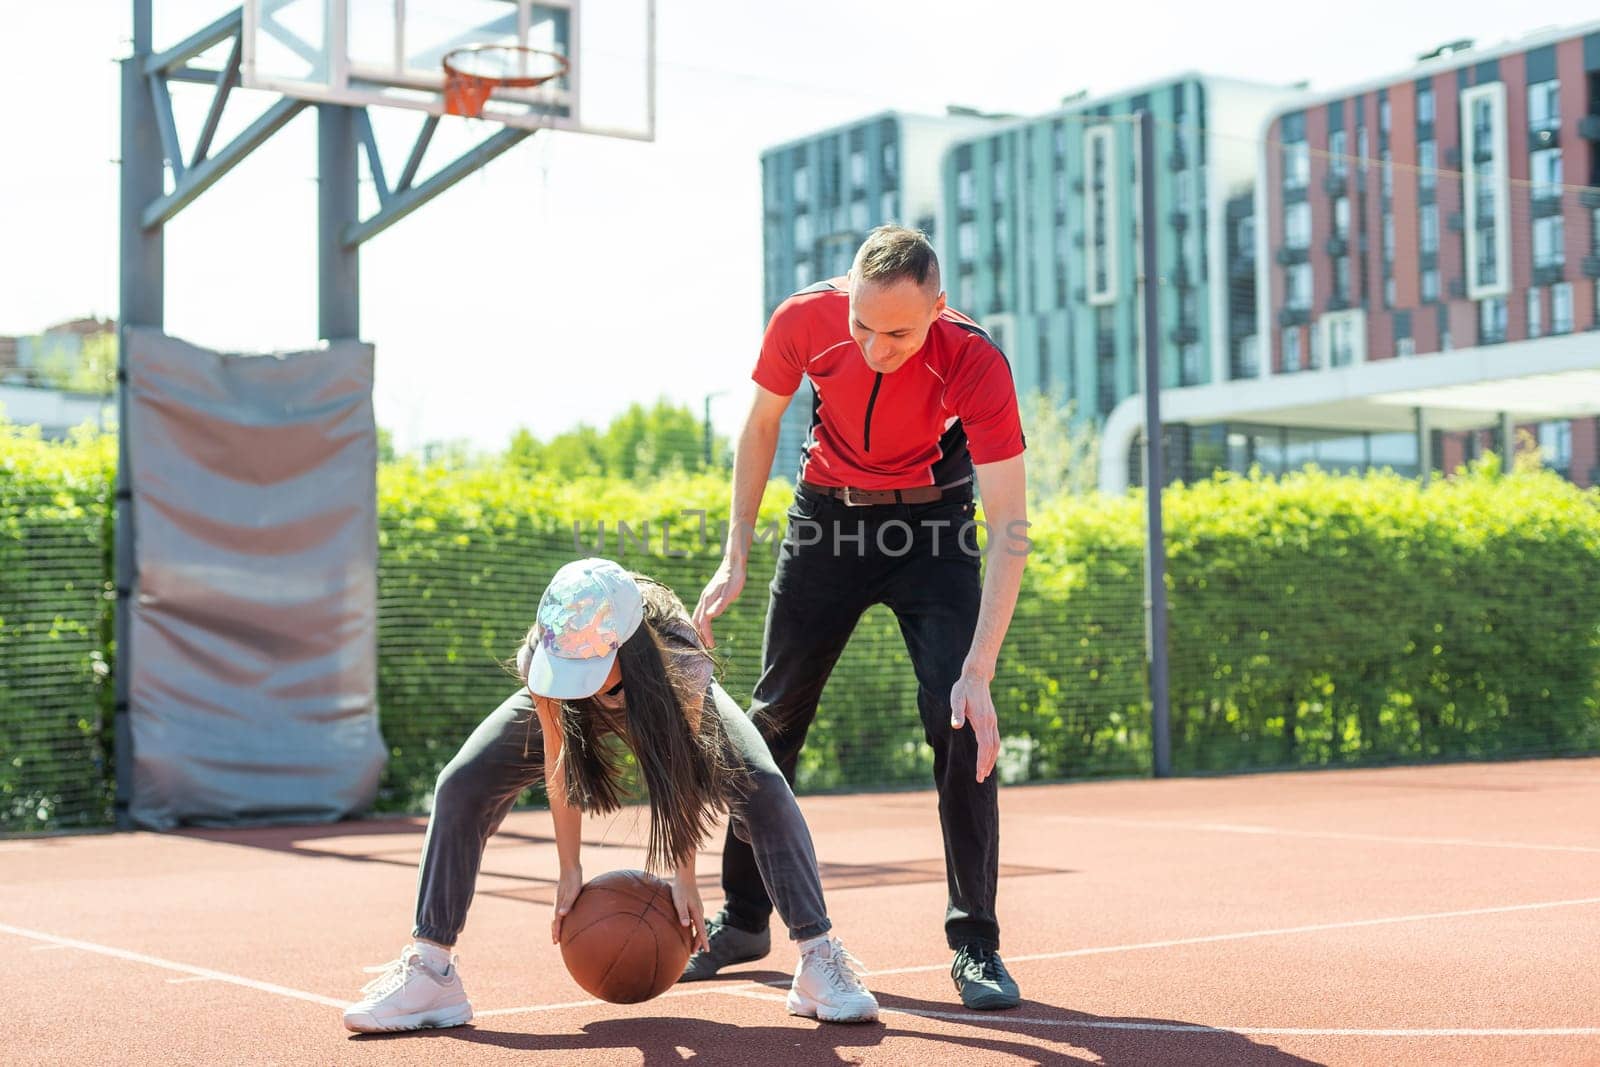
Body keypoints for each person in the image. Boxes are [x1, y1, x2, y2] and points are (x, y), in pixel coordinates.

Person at [686, 225, 1030, 1010]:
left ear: (939, 309)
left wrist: (978, 671)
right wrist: (735, 553)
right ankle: (743, 917)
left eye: (899, 333)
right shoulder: (803, 319)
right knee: (769, 721)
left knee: (960, 718)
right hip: (825, 523)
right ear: (847, 296)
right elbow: (761, 424)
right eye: (862, 326)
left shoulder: (973, 358)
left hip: (935, 529)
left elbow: (1010, 520)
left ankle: (976, 941)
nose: (876, 347)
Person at [343, 558, 879, 1032]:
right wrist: (569, 869)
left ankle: (817, 959)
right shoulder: (547, 651)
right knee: (460, 784)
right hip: (586, 715)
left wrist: (682, 876)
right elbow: (560, 765)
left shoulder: (677, 655)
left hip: (666, 703)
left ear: (628, 645)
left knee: (764, 787)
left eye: (591, 668)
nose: (579, 680)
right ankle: (431, 969)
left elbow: (682, 773)